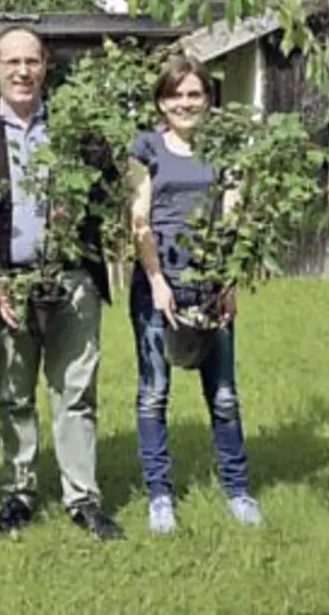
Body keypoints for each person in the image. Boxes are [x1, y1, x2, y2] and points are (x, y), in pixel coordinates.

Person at [0, 26, 124, 541]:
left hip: (71, 278)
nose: (23, 71)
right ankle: (18, 492)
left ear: (46, 66)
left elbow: (110, 194)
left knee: (75, 391)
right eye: (12, 62)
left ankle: (82, 497)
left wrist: (82, 207)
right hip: (6, 282)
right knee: (14, 394)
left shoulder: (77, 131)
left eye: (32, 61)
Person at [126, 56, 260, 534]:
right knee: (154, 393)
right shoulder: (145, 148)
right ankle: (160, 496)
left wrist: (227, 279)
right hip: (158, 283)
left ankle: (238, 489)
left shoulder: (224, 149)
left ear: (208, 99)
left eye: (194, 94)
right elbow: (139, 218)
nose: (186, 103)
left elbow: (233, 216)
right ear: (162, 101)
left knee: (223, 395)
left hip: (209, 283)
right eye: (176, 95)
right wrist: (157, 280)